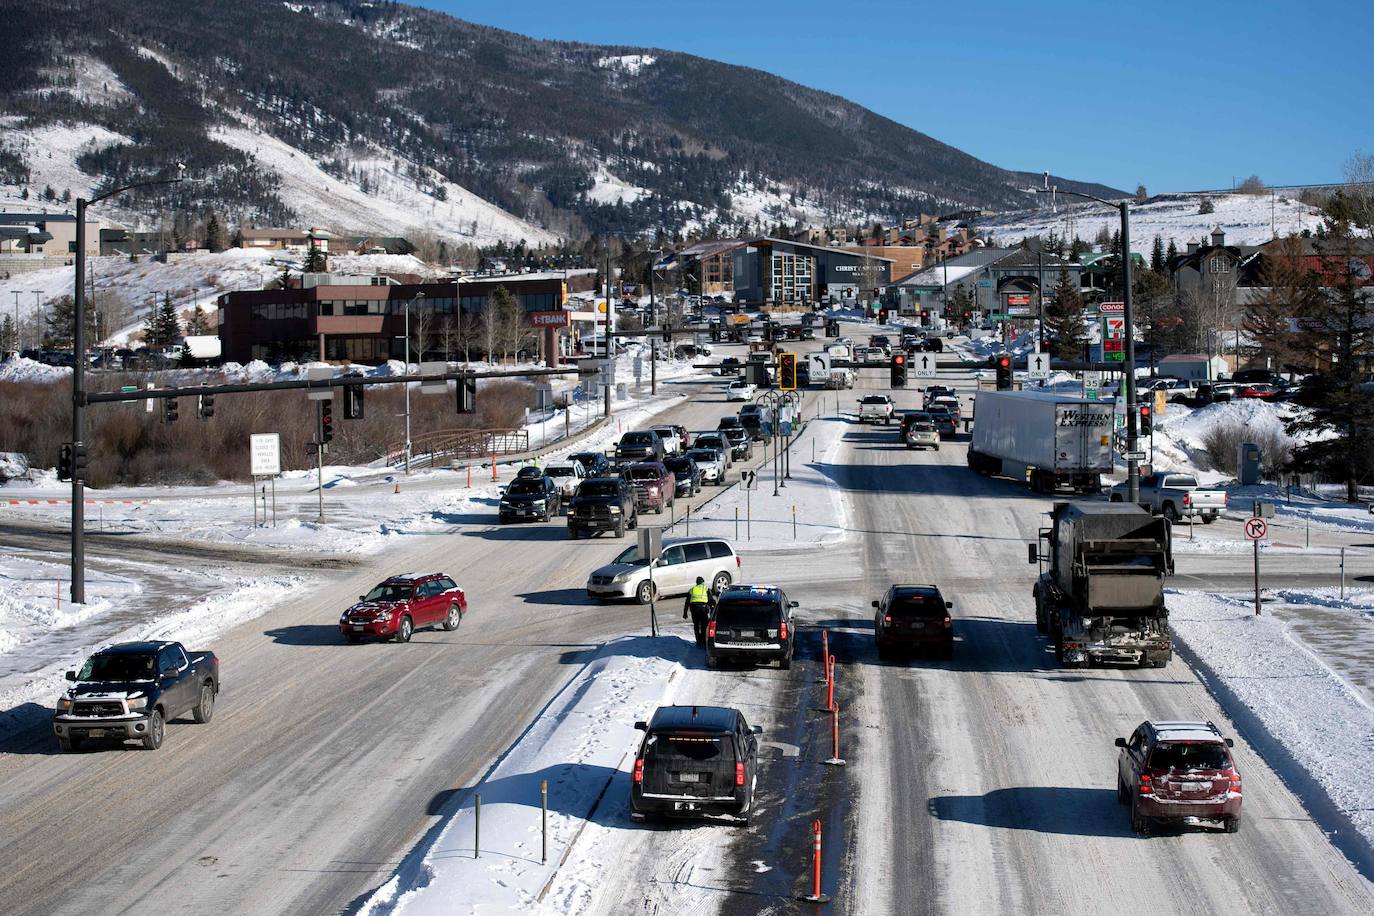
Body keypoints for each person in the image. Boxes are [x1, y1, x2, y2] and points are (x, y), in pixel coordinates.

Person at [683, 576, 713, 647]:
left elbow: (687, 603)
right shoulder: (706, 588)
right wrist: (712, 610)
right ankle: (704, 641)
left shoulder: (692, 590)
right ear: (702, 582)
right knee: (704, 625)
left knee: (696, 625)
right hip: (703, 609)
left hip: (694, 609)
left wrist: (685, 613)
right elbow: (711, 600)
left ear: (696, 583)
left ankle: (698, 641)